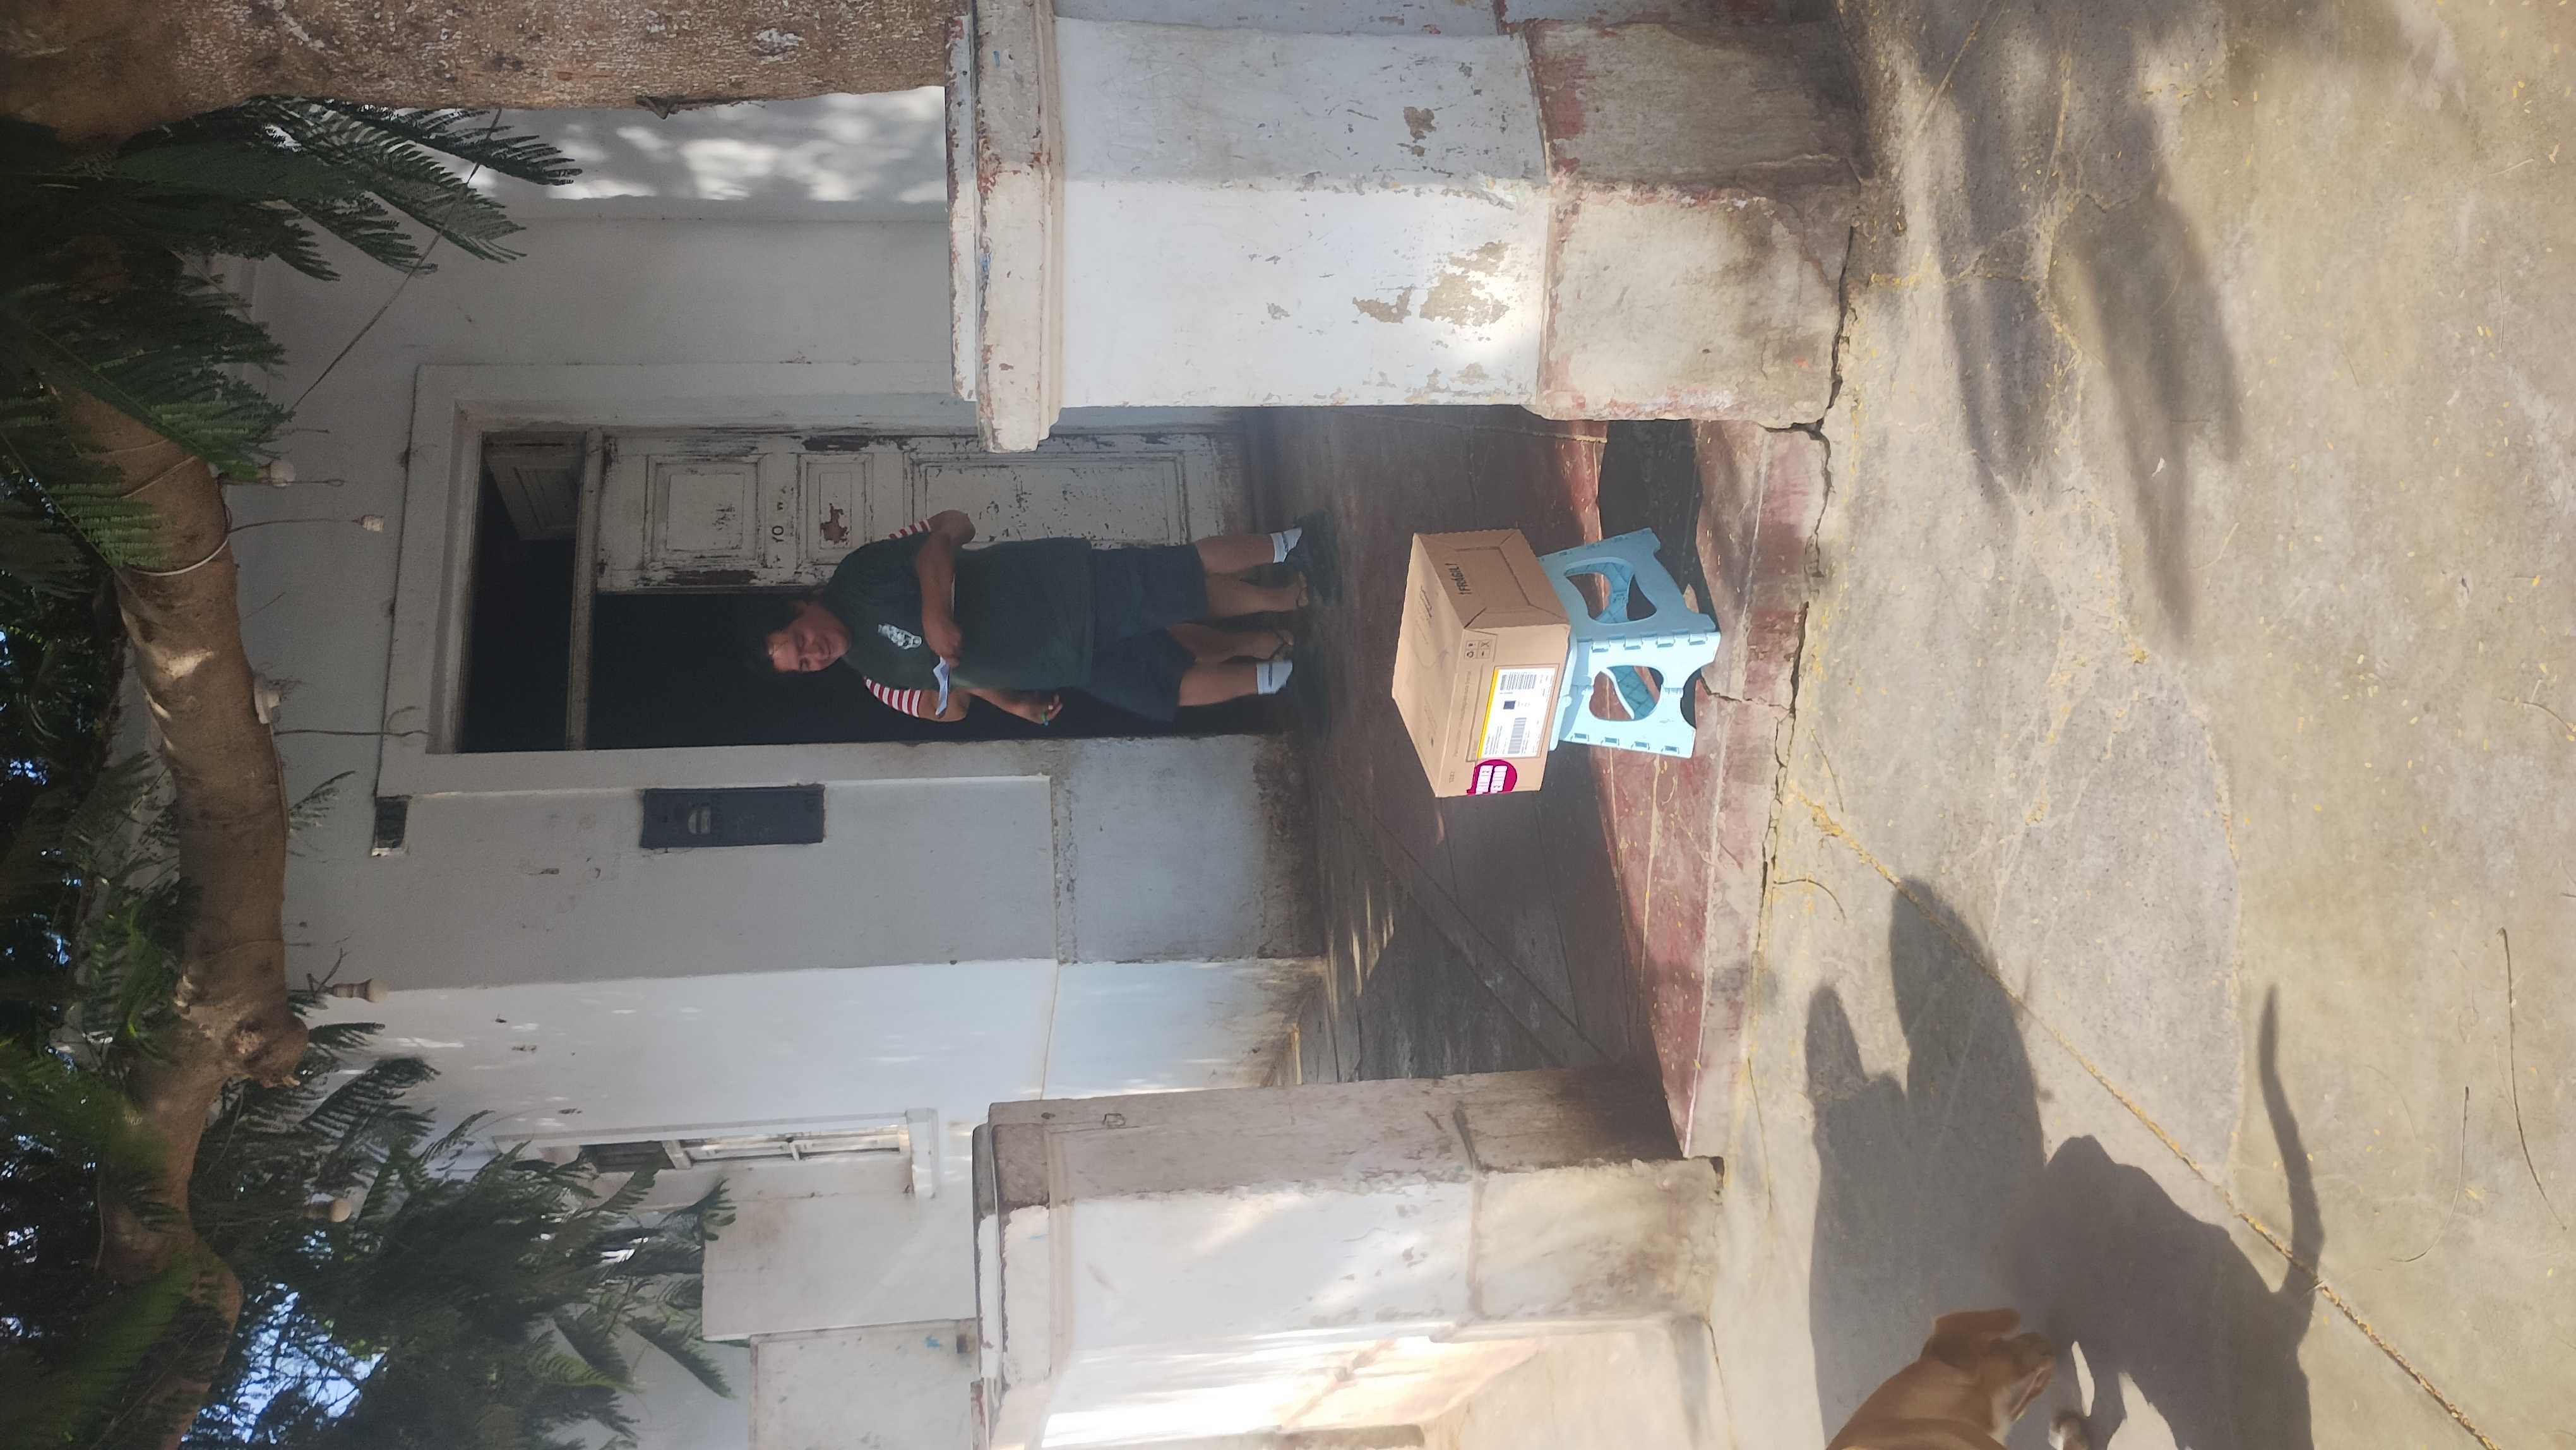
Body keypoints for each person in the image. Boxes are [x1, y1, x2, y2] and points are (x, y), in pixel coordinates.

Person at [749, 510, 1332, 725]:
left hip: (1060, 590)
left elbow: (942, 538)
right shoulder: (876, 677)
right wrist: (1012, 704)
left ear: (802, 608)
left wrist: (934, 613)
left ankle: (1293, 547)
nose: (814, 652)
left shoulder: (857, 577)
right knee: (1164, 688)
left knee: (1183, 578)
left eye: (801, 639)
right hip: (1062, 661)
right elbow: (954, 692)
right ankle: (1287, 677)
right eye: (805, 664)